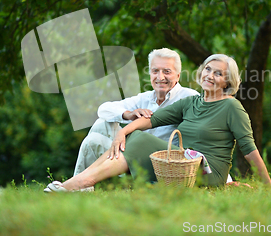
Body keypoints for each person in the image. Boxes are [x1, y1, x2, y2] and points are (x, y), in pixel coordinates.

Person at [45, 54, 269, 192]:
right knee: (134, 133)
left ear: (228, 81)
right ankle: (76, 184)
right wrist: (123, 132)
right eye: (208, 69)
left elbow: (249, 150)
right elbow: (151, 119)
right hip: (180, 166)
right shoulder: (192, 102)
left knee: (140, 140)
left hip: (205, 174)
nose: (210, 75)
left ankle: (77, 184)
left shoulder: (232, 107)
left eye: (218, 73)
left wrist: (269, 187)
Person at [72, 48, 199, 176]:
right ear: (150, 74)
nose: (160, 77)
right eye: (155, 71)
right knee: (97, 131)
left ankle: (75, 185)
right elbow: (104, 109)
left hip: (161, 164)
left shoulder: (190, 97)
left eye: (167, 71)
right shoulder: (145, 98)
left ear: (178, 75)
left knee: (95, 138)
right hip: (132, 155)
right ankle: (78, 185)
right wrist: (128, 114)